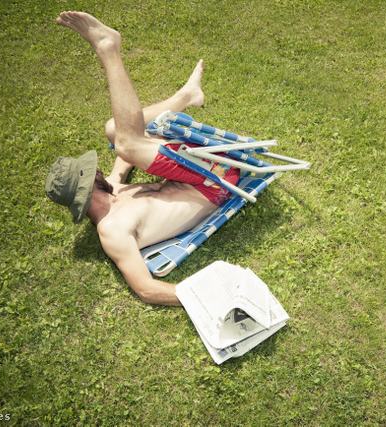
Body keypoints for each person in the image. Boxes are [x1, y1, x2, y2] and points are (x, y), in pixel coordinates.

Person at [45, 11, 240, 306]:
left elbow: (122, 159)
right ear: (88, 186)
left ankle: (186, 96)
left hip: (199, 168)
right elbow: (146, 289)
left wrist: (124, 145)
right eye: (91, 171)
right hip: (215, 182)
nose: (98, 169)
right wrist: (210, 297)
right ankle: (108, 48)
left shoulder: (114, 190)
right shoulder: (111, 230)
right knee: (126, 143)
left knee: (115, 131)